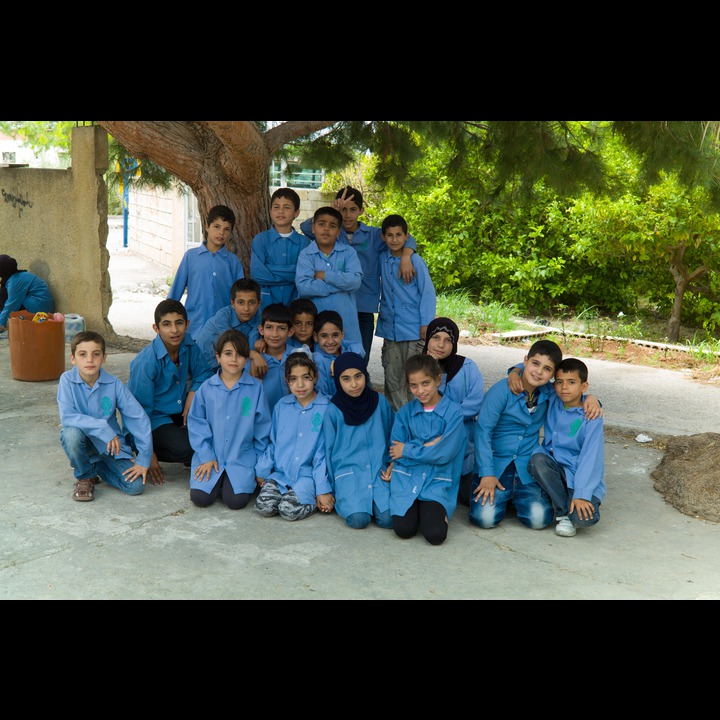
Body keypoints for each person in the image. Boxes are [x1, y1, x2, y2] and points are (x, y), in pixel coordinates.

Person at [469, 339, 602, 530]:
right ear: (525, 361)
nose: (539, 371)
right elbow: (483, 431)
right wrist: (487, 473)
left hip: (526, 466)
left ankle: (514, 500)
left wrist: (592, 398)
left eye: (547, 369)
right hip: (496, 465)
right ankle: (495, 496)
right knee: (485, 519)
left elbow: (574, 394)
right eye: (535, 363)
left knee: (539, 520)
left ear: (552, 376)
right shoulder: (501, 391)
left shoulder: (549, 392)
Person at [300, 185, 417, 360]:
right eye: (344, 210)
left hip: (364, 305)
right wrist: (333, 210)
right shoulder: (333, 232)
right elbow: (306, 227)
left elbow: (407, 237)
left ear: (361, 210)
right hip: (337, 306)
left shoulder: (373, 235)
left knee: (360, 356)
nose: (347, 215)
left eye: (353, 209)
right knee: (328, 353)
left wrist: (407, 256)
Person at [382, 353, 467, 545]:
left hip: (437, 481)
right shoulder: (405, 413)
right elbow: (396, 451)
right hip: (408, 478)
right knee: (403, 530)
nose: (420, 390)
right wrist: (426, 447)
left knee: (435, 535)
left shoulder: (453, 413)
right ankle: (423, 511)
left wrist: (409, 449)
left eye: (425, 383)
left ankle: (437, 513)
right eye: (414, 385)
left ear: (438, 379)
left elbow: (445, 454)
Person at [127, 298, 214, 486]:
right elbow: (136, 413)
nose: (174, 330)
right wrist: (146, 452)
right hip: (153, 420)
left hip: (179, 413)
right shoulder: (146, 362)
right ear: (156, 328)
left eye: (179, 323)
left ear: (187, 324)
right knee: (191, 447)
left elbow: (204, 372)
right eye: (166, 324)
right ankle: (144, 448)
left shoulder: (188, 345)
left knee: (215, 435)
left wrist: (193, 392)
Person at [57, 330, 151, 502]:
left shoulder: (113, 383)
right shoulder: (67, 380)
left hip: (111, 447)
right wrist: (102, 427)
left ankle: (96, 467)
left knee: (136, 486)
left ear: (104, 357)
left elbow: (138, 417)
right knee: (70, 433)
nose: (90, 360)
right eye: (82, 354)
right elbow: (67, 416)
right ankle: (85, 476)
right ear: (73, 358)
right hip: (83, 442)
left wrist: (145, 457)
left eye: (96, 354)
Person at [187, 329, 272, 510]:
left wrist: (259, 466)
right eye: (227, 354)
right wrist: (206, 455)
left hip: (241, 457)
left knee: (235, 502)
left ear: (247, 358)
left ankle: (233, 480)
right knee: (200, 498)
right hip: (211, 455)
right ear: (218, 357)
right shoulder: (206, 389)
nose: (234, 359)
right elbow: (196, 424)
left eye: (240, 355)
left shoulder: (256, 388)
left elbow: (262, 428)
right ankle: (219, 479)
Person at [527, 357, 606, 537]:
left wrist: (582, 494)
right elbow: (535, 376)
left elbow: (591, 458)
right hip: (554, 468)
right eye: (559, 382)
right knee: (537, 459)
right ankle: (563, 513)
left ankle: (569, 506)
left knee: (585, 518)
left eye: (571, 382)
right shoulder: (553, 398)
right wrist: (515, 372)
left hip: (578, 474)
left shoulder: (591, 416)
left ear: (583, 386)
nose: (564, 388)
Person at [255, 353, 334, 521]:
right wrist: (262, 469)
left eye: (306, 377)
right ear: (287, 380)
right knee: (264, 507)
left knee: (288, 510)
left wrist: (321, 489)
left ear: (315, 377)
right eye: (293, 379)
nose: (300, 385)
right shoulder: (282, 406)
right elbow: (273, 442)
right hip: (281, 473)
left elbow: (322, 454)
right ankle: (289, 493)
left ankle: (311, 499)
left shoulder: (326, 408)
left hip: (308, 476)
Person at [324, 351, 395, 529]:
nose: (354, 384)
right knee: (358, 519)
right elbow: (327, 451)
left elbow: (394, 437)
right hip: (349, 475)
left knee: (389, 520)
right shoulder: (333, 410)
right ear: (338, 381)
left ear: (366, 375)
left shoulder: (380, 402)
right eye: (346, 379)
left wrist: (394, 463)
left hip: (380, 472)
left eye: (358, 376)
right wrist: (329, 489)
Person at [375, 214, 436, 412]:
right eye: (390, 235)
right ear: (383, 237)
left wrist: (426, 323)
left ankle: (415, 421)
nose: (394, 240)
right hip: (390, 331)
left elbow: (428, 293)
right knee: (392, 381)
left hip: (413, 331)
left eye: (399, 235)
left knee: (415, 379)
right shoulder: (382, 258)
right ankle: (397, 425)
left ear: (406, 236)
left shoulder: (415, 261)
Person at [423, 316, 484, 507]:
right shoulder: (418, 367)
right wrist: (430, 371)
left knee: (469, 497)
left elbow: (474, 403)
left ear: (455, 343)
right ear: (427, 341)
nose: (441, 345)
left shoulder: (467, 367)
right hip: (431, 442)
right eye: (436, 338)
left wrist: (444, 414)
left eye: (448, 340)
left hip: (463, 443)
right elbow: (418, 403)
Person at [167, 204, 244, 339]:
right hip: (195, 327)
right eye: (216, 227)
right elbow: (175, 293)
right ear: (207, 227)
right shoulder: (190, 257)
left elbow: (241, 297)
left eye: (227, 229)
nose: (221, 233)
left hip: (224, 329)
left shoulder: (233, 261)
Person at [295, 205, 363, 346]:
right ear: (313, 228)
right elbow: (304, 288)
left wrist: (325, 275)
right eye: (321, 224)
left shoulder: (348, 253)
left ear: (338, 232)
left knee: (349, 363)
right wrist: (340, 285)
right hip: (316, 326)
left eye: (332, 226)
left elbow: (355, 281)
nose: (326, 229)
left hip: (347, 326)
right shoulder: (306, 255)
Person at [250, 187, 309, 310]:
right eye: (276, 207)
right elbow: (257, 274)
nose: (281, 211)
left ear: (296, 213)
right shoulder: (261, 240)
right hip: (266, 305)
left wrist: (269, 269)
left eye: (287, 207)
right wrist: (293, 273)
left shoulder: (304, 243)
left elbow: (305, 275)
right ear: (270, 211)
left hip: (295, 305)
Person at [194, 277, 267, 377]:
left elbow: (252, 344)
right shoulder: (223, 316)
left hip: (231, 365)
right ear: (232, 303)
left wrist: (263, 340)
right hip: (204, 366)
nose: (246, 308)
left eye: (251, 302)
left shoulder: (259, 317)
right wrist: (254, 354)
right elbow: (233, 344)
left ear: (259, 303)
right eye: (240, 302)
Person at [312, 309, 365, 397]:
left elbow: (359, 348)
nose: (330, 341)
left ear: (342, 334)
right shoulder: (318, 360)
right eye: (324, 336)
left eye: (335, 335)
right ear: (315, 337)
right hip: (333, 404)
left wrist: (346, 359)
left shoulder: (346, 350)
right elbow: (322, 394)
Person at [255, 302, 296, 413]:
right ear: (261, 330)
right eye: (269, 327)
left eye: (281, 328)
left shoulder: (299, 356)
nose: (274, 334)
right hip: (263, 424)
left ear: (290, 331)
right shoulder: (254, 362)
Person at [0, 254, 55, 333]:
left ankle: (7, 323)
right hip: (38, 304)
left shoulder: (15, 281)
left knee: (5, 295)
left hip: (41, 308)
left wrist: (1, 323)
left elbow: (12, 304)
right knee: (4, 293)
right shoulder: (16, 276)